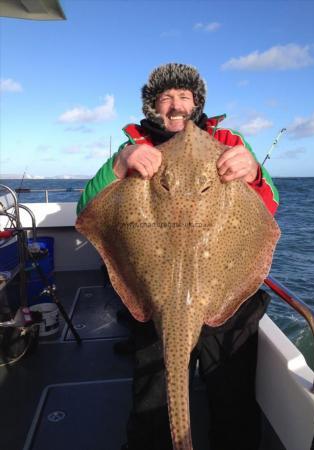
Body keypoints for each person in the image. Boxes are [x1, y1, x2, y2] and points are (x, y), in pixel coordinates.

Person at [77, 63, 279, 450]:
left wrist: (253, 171)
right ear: (154, 107)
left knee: (230, 391)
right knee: (153, 396)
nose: (176, 106)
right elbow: (87, 211)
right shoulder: (135, 148)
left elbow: (268, 208)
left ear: (197, 103)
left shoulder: (228, 140)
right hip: (154, 291)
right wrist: (120, 165)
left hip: (222, 286)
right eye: (166, 97)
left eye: (184, 97)